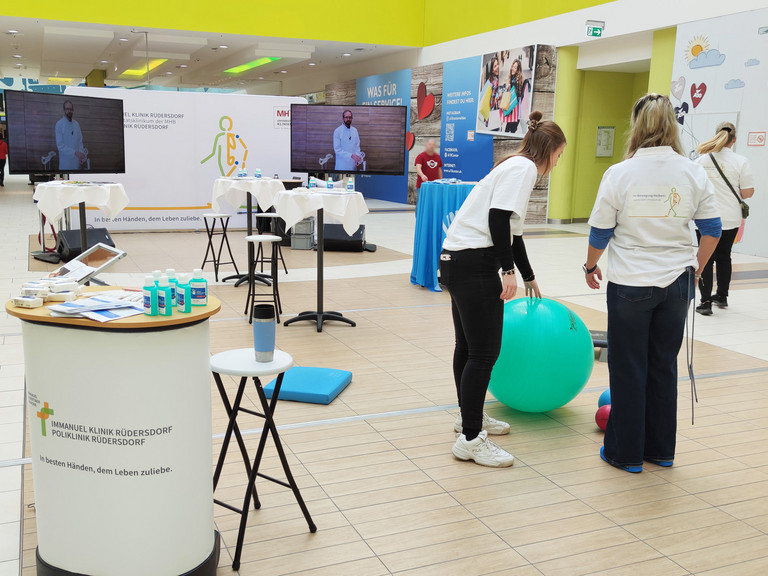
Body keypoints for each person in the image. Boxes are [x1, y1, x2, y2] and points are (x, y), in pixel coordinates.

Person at [584, 94, 721, 473]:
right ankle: (661, 451)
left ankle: (625, 454)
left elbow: (600, 231)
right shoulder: (692, 171)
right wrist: (695, 269)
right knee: (663, 365)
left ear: (636, 125)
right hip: (677, 283)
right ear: (672, 126)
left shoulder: (620, 173)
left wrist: (590, 266)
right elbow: (712, 229)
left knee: (628, 367)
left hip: (630, 283)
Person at [440, 111, 566, 467]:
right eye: (559, 155)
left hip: (455, 260)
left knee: (468, 347)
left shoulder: (512, 165)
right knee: (483, 354)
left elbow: (514, 233)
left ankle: (469, 417)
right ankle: (470, 439)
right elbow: (497, 218)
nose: (557, 163)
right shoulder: (524, 168)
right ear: (549, 150)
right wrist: (507, 271)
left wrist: (528, 275)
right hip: (475, 265)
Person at [693, 122, 755, 315]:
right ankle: (722, 296)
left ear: (716, 135)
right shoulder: (741, 161)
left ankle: (705, 302)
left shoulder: (701, 160)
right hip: (730, 218)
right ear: (734, 139)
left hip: (705, 218)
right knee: (724, 257)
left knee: (705, 259)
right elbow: (748, 192)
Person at [55, 100, 86, 171]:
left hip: (76, 163)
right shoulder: (59, 124)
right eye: (67, 109)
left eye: (71, 109)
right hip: (65, 164)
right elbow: (60, 146)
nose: (69, 111)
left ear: (73, 110)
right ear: (64, 110)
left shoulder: (76, 124)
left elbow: (80, 142)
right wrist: (75, 153)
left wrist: (81, 155)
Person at [503, 59, 530, 134]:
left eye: (515, 68)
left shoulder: (518, 81)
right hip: (512, 109)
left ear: (518, 71)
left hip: (516, 109)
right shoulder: (512, 78)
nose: (512, 68)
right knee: (509, 129)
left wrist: (510, 88)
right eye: (512, 66)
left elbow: (518, 95)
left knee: (511, 130)